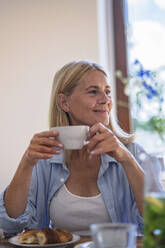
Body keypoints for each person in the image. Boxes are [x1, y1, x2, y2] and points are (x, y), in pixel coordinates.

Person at [0, 60, 163, 237]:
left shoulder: (132, 153)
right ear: (64, 103)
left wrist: (126, 158)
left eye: (107, 92)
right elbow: (8, 225)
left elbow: (159, 223)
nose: (106, 100)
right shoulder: (46, 157)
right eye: (93, 91)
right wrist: (26, 162)